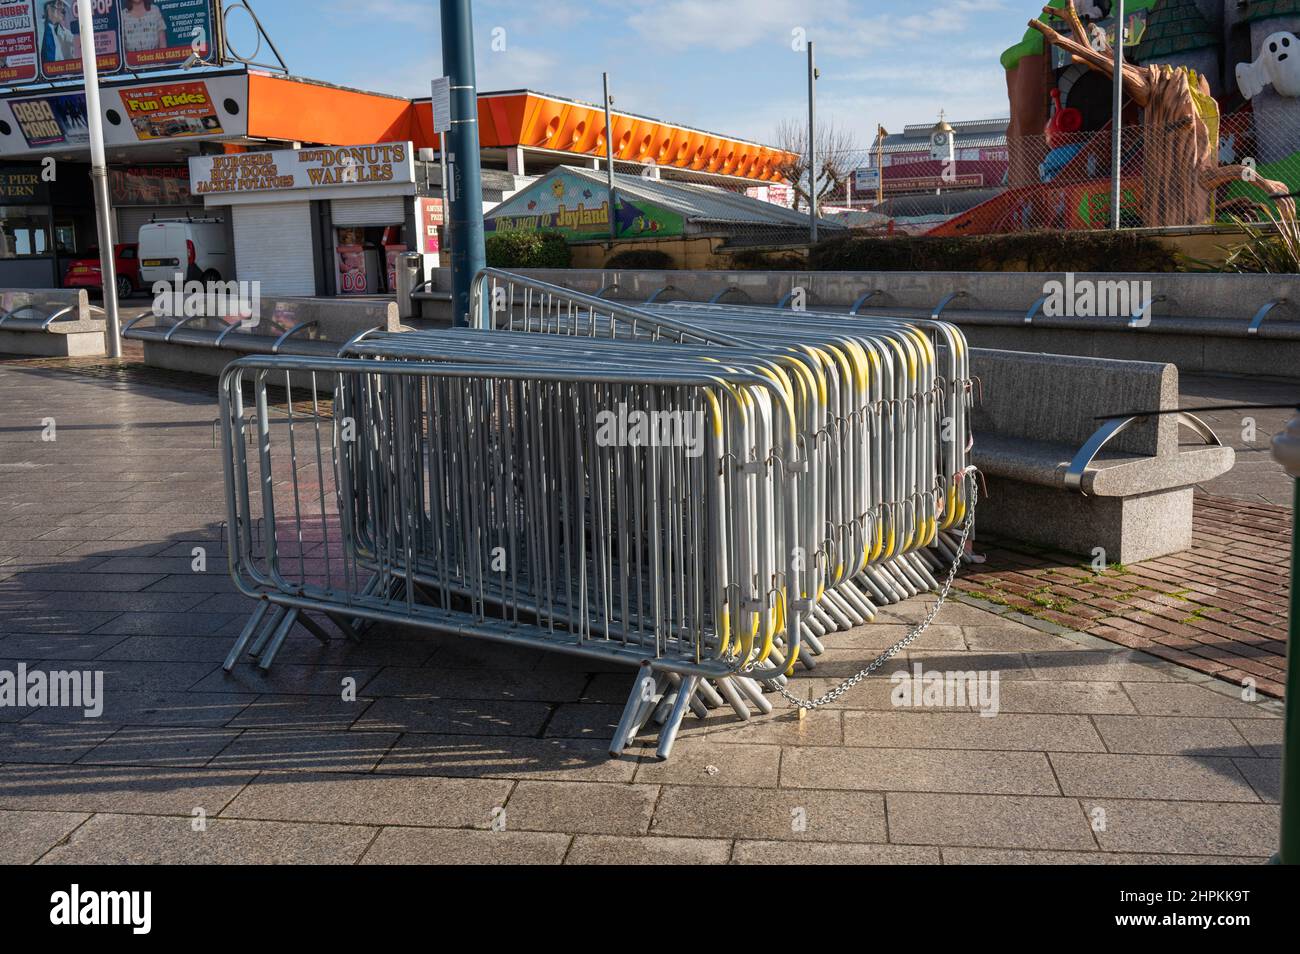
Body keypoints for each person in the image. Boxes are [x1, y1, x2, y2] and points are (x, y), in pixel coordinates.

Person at [40, 1, 74, 67]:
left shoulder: (68, 35)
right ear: (49, 8)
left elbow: (71, 63)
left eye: (64, 6)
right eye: (59, 5)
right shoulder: (37, 28)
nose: (63, 10)